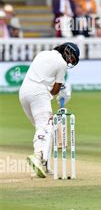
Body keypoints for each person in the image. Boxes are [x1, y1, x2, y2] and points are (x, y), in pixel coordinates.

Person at [20, 42, 80, 178]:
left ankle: (44, 164)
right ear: (67, 52)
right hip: (38, 94)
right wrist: (59, 95)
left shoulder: (43, 54)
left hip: (23, 93)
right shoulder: (62, 64)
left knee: (45, 128)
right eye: (72, 58)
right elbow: (55, 89)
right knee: (45, 126)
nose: (70, 61)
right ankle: (37, 156)